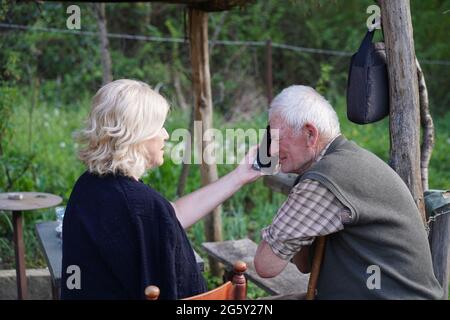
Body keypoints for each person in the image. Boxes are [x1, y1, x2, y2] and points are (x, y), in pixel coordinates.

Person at [61, 79, 261, 300]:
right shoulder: (141, 205)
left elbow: (168, 215)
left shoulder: (89, 186)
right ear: (137, 135)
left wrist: (239, 176)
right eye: (159, 127)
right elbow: (187, 294)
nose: (166, 134)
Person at [254, 85, 443, 299]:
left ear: (309, 134)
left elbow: (266, 265)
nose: (270, 147)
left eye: (277, 138)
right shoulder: (347, 160)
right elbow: (304, 264)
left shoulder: (328, 178)